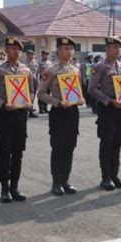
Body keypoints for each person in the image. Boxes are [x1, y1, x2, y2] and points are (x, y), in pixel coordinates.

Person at [0, 37, 33, 203]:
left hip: (21, 115)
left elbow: (32, 90)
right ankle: (4, 188)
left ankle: (14, 187)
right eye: (12, 48)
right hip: (5, 114)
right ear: (6, 50)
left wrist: (29, 100)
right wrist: (2, 104)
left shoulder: (26, 70)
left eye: (19, 49)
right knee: (5, 152)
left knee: (18, 152)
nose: (16, 52)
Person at [38, 36, 82, 196]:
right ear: (58, 50)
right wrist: (56, 102)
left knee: (70, 147)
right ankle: (56, 182)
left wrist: (79, 99)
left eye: (71, 48)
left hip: (72, 112)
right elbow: (41, 93)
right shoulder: (50, 70)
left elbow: (77, 91)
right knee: (58, 148)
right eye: (65, 48)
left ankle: (65, 180)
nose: (69, 51)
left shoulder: (76, 70)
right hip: (58, 112)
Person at [88, 36, 121, 191]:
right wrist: (108, 100)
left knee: (117, 143)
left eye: (119, 47)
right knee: (107, 143)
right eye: (113, 47)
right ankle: (105, 177)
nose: (117, 50)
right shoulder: (99, 67)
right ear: (107, 49)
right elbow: (92, 89)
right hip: (108, 108)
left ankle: (115, 175)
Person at [24, 49, 39, 118]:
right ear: (27, 55)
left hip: (34, 80)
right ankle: (25, 111)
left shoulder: (35, 62)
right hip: (26, 80)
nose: (32, 55)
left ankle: (30, 111)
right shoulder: (24, 62)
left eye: (33, 54)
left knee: (33, 96)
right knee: (26, 96)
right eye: (30, 54)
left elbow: (37, 72)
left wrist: (37, 81)